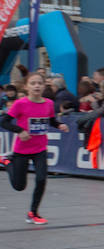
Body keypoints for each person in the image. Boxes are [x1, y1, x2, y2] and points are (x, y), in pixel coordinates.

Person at [0, 73, 70, 224]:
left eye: (39, 83)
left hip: (40, 149)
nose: (37, 86)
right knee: (19, 186)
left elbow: (51, 120)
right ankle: (6, 161)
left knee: (41, 179)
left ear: (44, 86)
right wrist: (20, 131)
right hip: (22, 150)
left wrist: (59, 125)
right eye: (33, 83)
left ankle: (33, 212)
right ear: (26, 87)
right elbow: (4, 122)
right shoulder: (20, 104)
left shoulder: (49, 103)